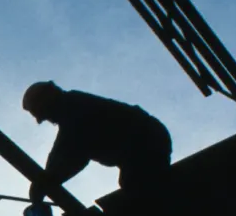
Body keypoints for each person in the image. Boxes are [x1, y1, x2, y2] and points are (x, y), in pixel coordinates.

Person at [22, 81, 171, 205]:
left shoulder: (75, 109)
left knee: (135, 188)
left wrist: (45, 182)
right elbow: (63, 150)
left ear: (49, 102)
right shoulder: (72, 108)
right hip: (147, 144)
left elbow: (73, 155)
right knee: (132, 185)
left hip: (147, 144)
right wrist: (45, 179)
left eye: (45, 114)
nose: (49, 120)